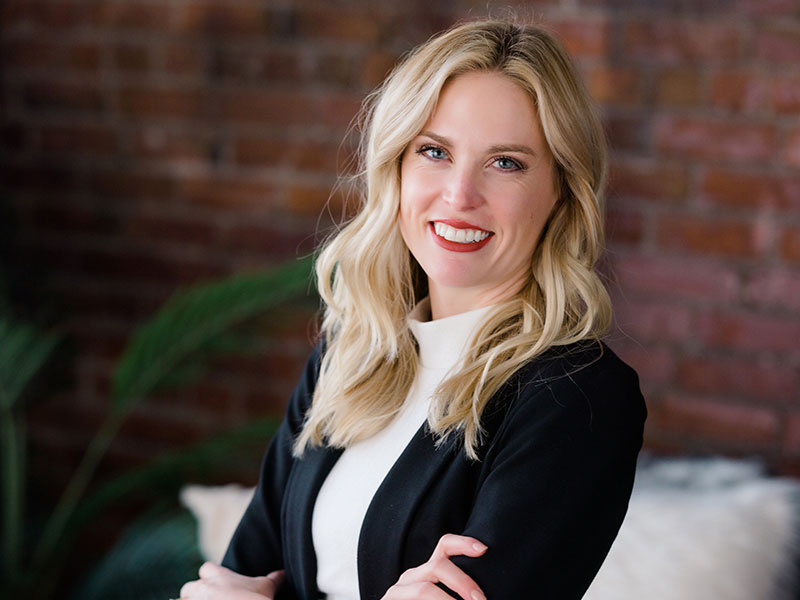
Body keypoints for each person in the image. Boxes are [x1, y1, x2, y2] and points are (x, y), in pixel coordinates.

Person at [180, 17, 646, 600]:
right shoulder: (351, 354)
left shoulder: (578, 397)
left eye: (506, 162)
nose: (459, 196)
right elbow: (242, 569)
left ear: (561, 191)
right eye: (434, 151)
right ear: (396, 167)